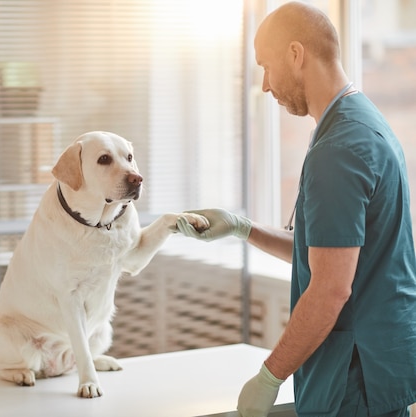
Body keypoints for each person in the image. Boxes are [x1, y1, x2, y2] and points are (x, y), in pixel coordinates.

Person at [176, 2, 416, 416]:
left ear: (295, 54)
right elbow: (326, 251)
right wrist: (241, 227)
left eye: (266, 66)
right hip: (375, 364)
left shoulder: (339, 149)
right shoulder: (359, 120)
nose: (265, 85)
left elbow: (329, 289)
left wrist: (269, 377)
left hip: (355, 376)